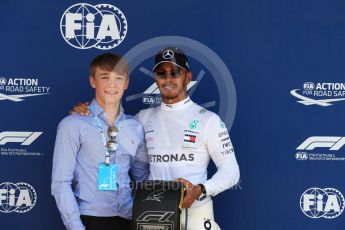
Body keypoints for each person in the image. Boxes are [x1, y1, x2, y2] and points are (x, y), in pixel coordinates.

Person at [72, 47, 240, 230]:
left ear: (188, 77)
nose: (168, 79)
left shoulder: (209, 120)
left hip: (195, 215)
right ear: (156, 79)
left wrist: (200, 189)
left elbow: (231, 172)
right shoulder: (142, 118)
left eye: (175, 72)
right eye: (162, 73)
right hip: (153, 215)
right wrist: (85, 113)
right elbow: (107, 132)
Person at [51, 53, 149, 230]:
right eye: (104, 77)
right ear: (92, 81)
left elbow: (143, 179)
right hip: (91, 219)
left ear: (126, 83)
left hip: (129, 219)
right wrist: (76, 227)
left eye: (118, 78)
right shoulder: (73, 124)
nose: (112, 85)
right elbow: (60, 183)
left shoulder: (135, 127)